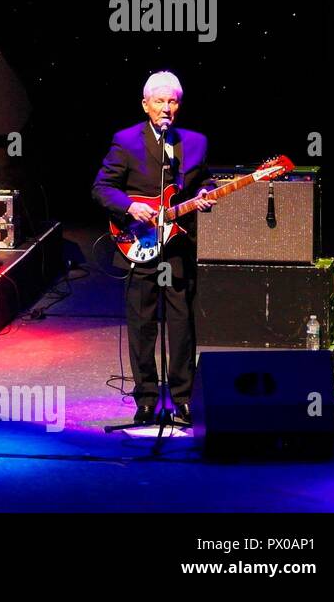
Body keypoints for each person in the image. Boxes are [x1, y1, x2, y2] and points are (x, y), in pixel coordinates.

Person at [92, 71, 213, 425]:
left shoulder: (195, 142)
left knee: (181, 322)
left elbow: (201, 179)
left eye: (172, 101)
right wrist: (130, 206)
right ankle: (146, 397)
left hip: (177, 245)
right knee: (142, 322)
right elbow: (102, 188)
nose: (166, 107)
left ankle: (182, 397)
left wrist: (205, 192)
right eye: (159, 101)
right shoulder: (126, 140)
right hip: (138, 241)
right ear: (145, 105)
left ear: (179, 105)